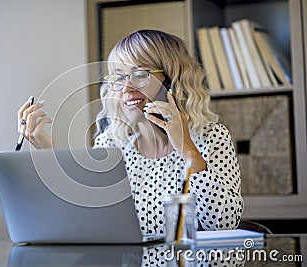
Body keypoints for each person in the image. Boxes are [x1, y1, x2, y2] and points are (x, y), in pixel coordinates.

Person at [17, 29, 243, 235]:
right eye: (118, 77)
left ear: (172, 80)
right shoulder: (112, 143)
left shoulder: (212, 137)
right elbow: (88, 218)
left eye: (140, 74)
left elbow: (223, 223)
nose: (126, 89)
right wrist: (48, 152)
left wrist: (186, 148)